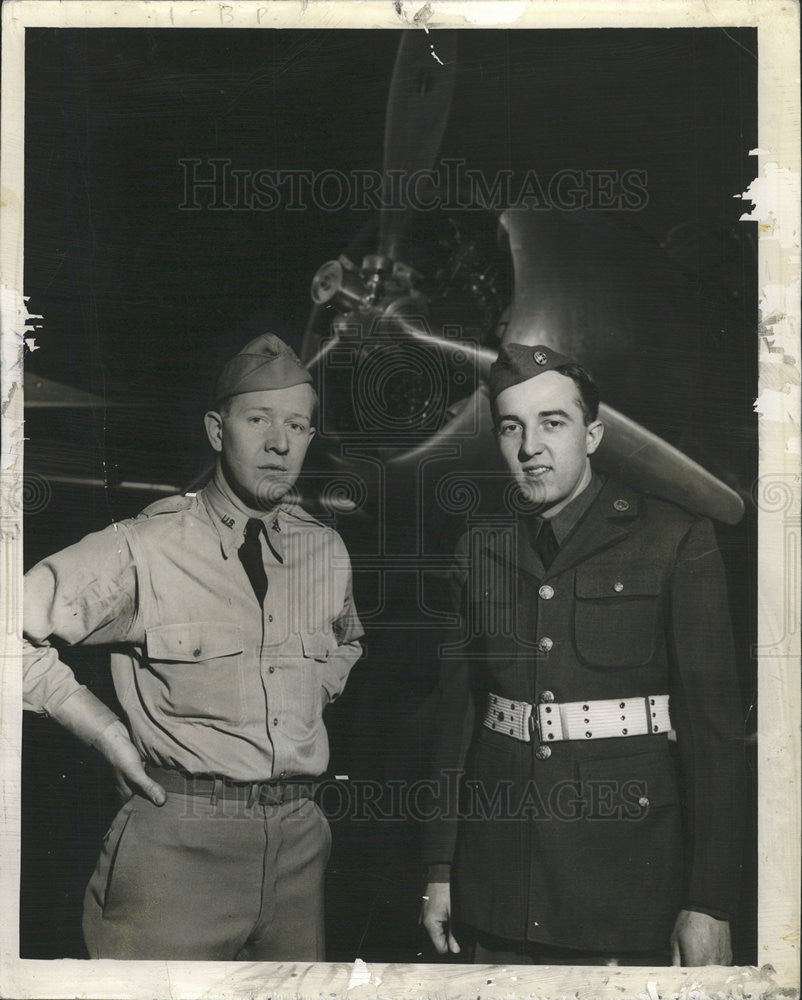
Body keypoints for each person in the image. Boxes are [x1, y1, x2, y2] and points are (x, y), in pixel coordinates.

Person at [23, 333, 363, 961]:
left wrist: (303, 699)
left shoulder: (324, 552)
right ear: (216, 430)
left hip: (300, 847)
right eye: (258, 419)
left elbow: (347, 640)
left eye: (297, 425)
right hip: (177, 849)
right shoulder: (142, 548)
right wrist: (101, 729)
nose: (279, 443)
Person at [421, 343, 744, 966]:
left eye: (553, 422)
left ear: (592, 435)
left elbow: (714, 737)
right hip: (496, 887)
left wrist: (711, 901)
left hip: (625, 893)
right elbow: (456, 723)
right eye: (512, 427)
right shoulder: (477, 549)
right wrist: (439, 868)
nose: (529, 446)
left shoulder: (675, 539)